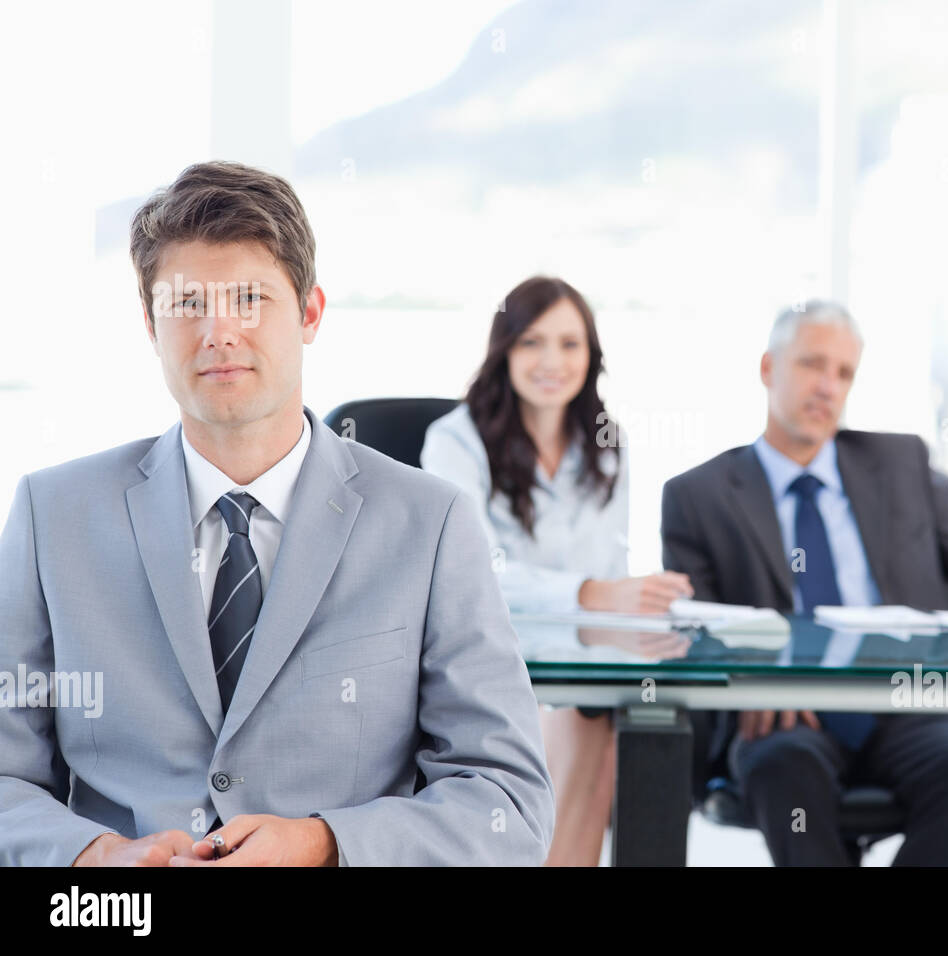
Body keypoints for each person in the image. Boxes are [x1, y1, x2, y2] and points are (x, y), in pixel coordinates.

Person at [0, 161, 554, 866]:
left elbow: (507, 802)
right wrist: (92, 856)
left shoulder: (431, 524)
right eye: (187, 304)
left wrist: (327, 843)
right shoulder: (55, 516)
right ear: (150, 324)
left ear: (311, 313)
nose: (218, 332)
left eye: (249, 298)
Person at [660, 300, 948, 866]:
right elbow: (693, 629)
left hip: (908, 702)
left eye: (844, 373)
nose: (828, 386)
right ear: (767, 369)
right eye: (812, 364)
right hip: (786, 711)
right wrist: (753, 684)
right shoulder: (699, 496)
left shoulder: (901, 463)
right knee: (783, 770)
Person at [421, 275, 691, 866]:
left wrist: (633, 599)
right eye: (532, 342)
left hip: (573, 660)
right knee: (585, 716)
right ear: (505, 352)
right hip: (478, 654)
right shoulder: (455, 442)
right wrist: (597, 594)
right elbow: (471, 575)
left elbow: (608, 568)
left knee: (623, 717)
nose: (553, 361)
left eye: (570, 344)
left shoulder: (606, 443)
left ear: (591, 356)